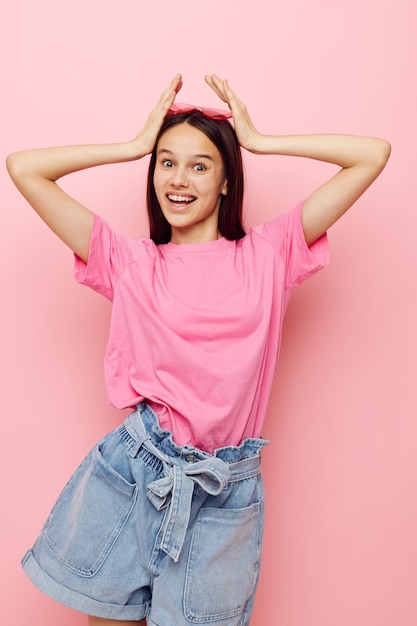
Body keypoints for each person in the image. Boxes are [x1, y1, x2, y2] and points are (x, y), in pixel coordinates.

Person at [6, 73, 390, 626]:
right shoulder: (128, 261)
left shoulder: (271, 252)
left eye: (199, 165)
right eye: (166, 162)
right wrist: (133, 146)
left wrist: (259, 141)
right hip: (135, 472)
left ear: (226, 181)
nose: (178, 179)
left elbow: (372, 155)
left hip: (224, 489)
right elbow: (24, 167)